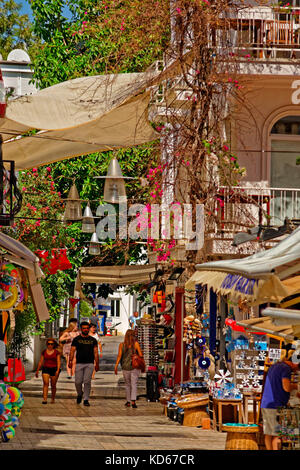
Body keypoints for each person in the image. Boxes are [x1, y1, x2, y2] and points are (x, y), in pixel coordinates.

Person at [261, 346, 300, 450]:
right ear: (295, 363)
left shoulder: (275, 366)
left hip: (266, 403)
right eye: (298, 367)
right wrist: (297, 386)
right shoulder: (286, 369)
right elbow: (286, 387)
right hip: (275, 405)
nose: (296, 371)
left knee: (268, 434)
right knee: (277, 435)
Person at [68, 321, 99, 406]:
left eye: (87, 328)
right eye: (84, 328)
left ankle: (86, 399)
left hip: (89, 363)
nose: (85, 330)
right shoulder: (76, 339)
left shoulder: (93, 340)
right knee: (78, 382)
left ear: (89, 329)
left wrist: (97, 363)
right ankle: (80, 394)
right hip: (79, 363)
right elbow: (72, 351)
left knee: (87, 381)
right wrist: (70, 361)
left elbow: (96, 352)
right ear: (81, 329)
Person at [114, 329, 144, 408]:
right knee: (134, 384)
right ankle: (133, 401)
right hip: (135, 367)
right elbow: (140, 355)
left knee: (127, 384)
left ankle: (128, 401)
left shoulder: (122, 345)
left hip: (125, 367)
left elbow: (119, 356)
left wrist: (116, 366)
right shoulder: (136, 344)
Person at [35, 338, 61, 404]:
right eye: (48, 344)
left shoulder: (57, 352)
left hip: (54, 369)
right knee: (46, 383)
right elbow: (41, 361)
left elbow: (58, 362)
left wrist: (57, 370)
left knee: (53, 385)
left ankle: (52, 398)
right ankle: (45, 399)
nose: (50, 345)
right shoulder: (44, 352)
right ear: (47, 344)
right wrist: (37, 370)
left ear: (54, 345)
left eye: (51, 344)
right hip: (46, 368)